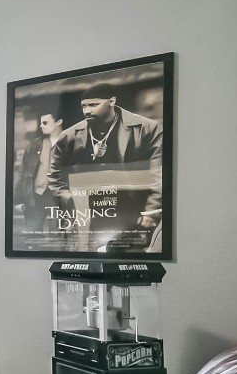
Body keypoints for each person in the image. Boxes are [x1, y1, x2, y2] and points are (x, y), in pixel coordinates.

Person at [47, 82, 163, 252]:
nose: (87, 111)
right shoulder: (69, 136)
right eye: (84, 106)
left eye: (93, 105)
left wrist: (150, 214)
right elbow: (54, 174)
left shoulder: (147, 129)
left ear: (112, 101)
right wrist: (67, 200)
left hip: (134, 213)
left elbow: (159, 174)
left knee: (127, 259)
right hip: (90, 214)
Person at [15, 112, 64, 242]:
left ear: (58, 122)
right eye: (41, 123)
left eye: (45, 122)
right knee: (33, 236)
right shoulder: (35, 144)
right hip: (36, 196)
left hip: (58, 198)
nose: (41, 126)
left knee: (58, 238)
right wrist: (19, 200)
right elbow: (23, 172)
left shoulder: (70, 142)